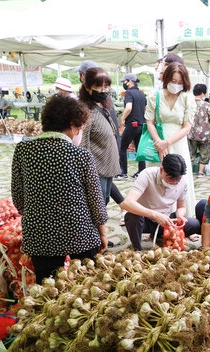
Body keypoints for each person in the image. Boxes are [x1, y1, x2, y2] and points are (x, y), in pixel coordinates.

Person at [11, 94, 108, 283]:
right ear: (72, 125)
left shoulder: (23, 151)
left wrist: (40, 215)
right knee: (86, 285)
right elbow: (96, 201)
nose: (79, 133)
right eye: (80, 128)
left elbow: (18, 198)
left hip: (39, 236)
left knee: (47, 287)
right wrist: (103, 233)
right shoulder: (81, 155)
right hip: (80, 233)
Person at [75, 60, 126, 229]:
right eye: (99, 86)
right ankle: (94, 236)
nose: (103, 91)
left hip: (107, 165)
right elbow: (82, 143)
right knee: (96, 204)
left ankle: (97, 235)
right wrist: (86, 171)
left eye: (106, 86)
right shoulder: (85, 110)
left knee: (103, 200)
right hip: (96, 168)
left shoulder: (102, 104)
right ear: (87, 86)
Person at [144, 61, 197, 217]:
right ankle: (152, 222)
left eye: (180, 82)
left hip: (178, 143)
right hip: (157, 143)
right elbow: (149, 122)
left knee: (181, 178)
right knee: (156, 179)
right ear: (166, 79)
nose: (176, 85)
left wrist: (166, 143)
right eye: (173, 81)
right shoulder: (155, 96)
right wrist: (159, 143)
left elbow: (187, 127)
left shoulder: (187, 97)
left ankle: (183, 219)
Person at [121, 154, 201, 251]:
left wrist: (180, 216)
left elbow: (181, 206)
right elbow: (127, 203)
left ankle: (160, 235)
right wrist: (155, 215)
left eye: (177, 180)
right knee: (132, 217)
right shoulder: (147, 174)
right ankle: (138, 249)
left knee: (195, 224)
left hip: (166, 221)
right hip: (145, 220)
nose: (174, 182)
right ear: (161, 170)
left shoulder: (182, 183)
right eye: (170, 178)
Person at [117, 73, 147, 179]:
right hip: (141, 124)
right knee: (140, 149)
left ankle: (123, 172)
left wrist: (123, 118)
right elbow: (145, 109)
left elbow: (129, 107)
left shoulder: (129, 93)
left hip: (132, 124)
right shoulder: (141, 94)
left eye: (124, 81)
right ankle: (141, 172)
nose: (124, 84)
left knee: (122, 148)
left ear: (130, 81)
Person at [189, 83, 210, 178]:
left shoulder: (189, 103)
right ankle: (200, 172)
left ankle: (188, 172)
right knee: (204, 153)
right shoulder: (206, 105)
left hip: (191, 133)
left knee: (191, 153)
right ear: (203, 93)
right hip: (205, 134)